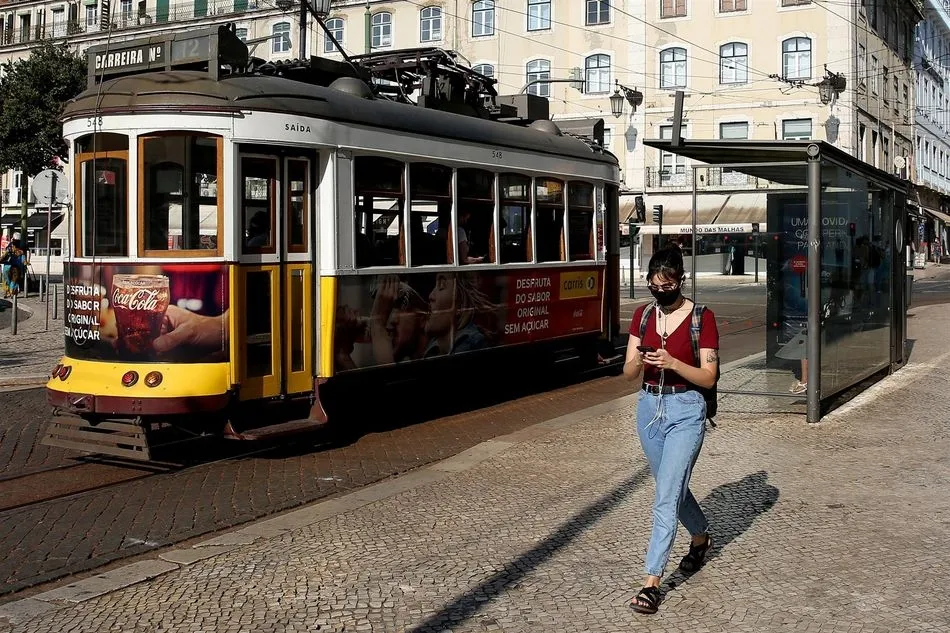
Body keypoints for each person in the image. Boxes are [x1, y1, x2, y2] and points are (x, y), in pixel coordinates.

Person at [623, 246, 720, 615]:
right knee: (672, 485)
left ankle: (651, 583)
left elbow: (708, 377)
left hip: (686, 409)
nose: (659, 290)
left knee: (666, 494)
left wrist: (674, 362)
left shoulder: (701, 317)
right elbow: (628, 375)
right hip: (649, 408)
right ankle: (701, 537)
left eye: (666, 284)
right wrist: (637, 360)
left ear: (680, 280)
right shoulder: (643, 315)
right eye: (653, 283)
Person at [1, 232, 28, 298]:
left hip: (7, 266)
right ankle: (12, 293)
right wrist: (26, 263)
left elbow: (4, 256)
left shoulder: (9, 247)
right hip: (16, 267)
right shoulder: (21, 249)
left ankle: (6, 293)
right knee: (14, 280)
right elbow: (23, 260)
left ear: (12, 238)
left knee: (6, 279)